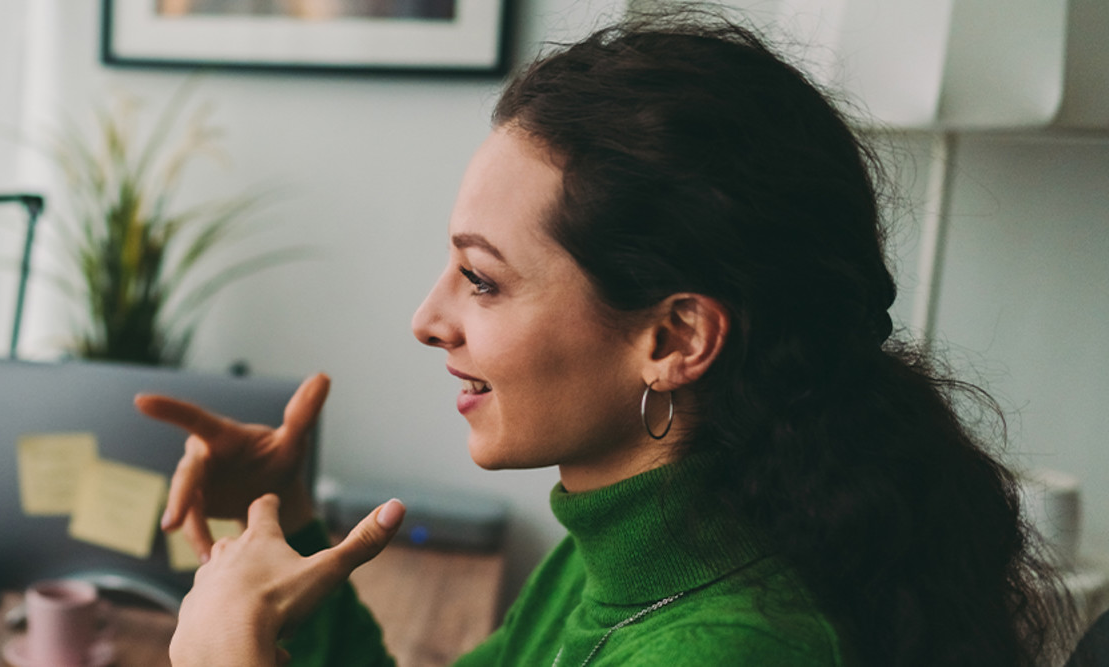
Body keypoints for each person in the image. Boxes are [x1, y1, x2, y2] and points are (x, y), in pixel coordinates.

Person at [135, 14, 1070, 667]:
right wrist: (293, 520)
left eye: (483, 278)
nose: (428, 320)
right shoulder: (615, 550)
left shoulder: (732, 649)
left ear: (674, 336)